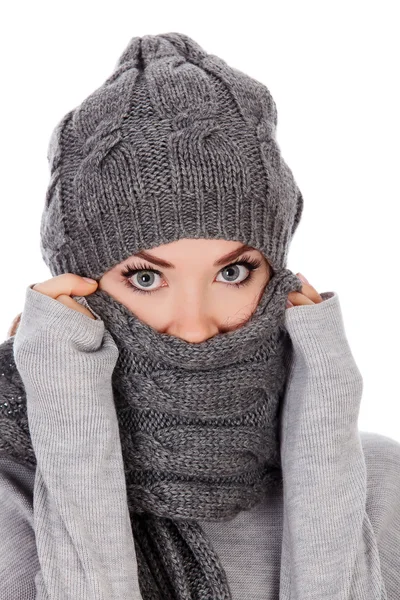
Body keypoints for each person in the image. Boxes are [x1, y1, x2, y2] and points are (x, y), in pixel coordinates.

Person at [0, 31, 399, 600]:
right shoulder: (12, 492)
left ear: (279, 280)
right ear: (79, 293)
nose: (193, 327)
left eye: (232, 272)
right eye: (145, 278)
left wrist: (322, 425)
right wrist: (67, 410)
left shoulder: (380, 478)